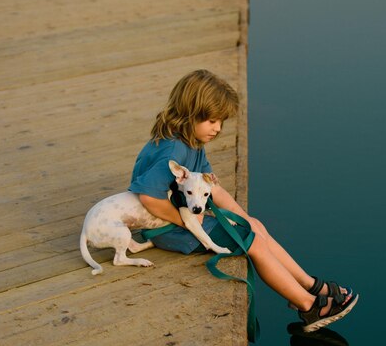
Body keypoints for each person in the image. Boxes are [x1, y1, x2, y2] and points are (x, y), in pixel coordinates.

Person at [129, 69, 358, 331]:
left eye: (221, 122)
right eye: (212, 121)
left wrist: (245, 219)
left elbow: (213, 189)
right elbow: (148, 196)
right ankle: (308, 306)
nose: (217, 129)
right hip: (167, 229)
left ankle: (311, 285)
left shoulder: (192, 142)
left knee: (255, 227)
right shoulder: (174, 148)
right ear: (191, 113)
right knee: (255, 245)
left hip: (183, 218)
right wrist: (186, 222)